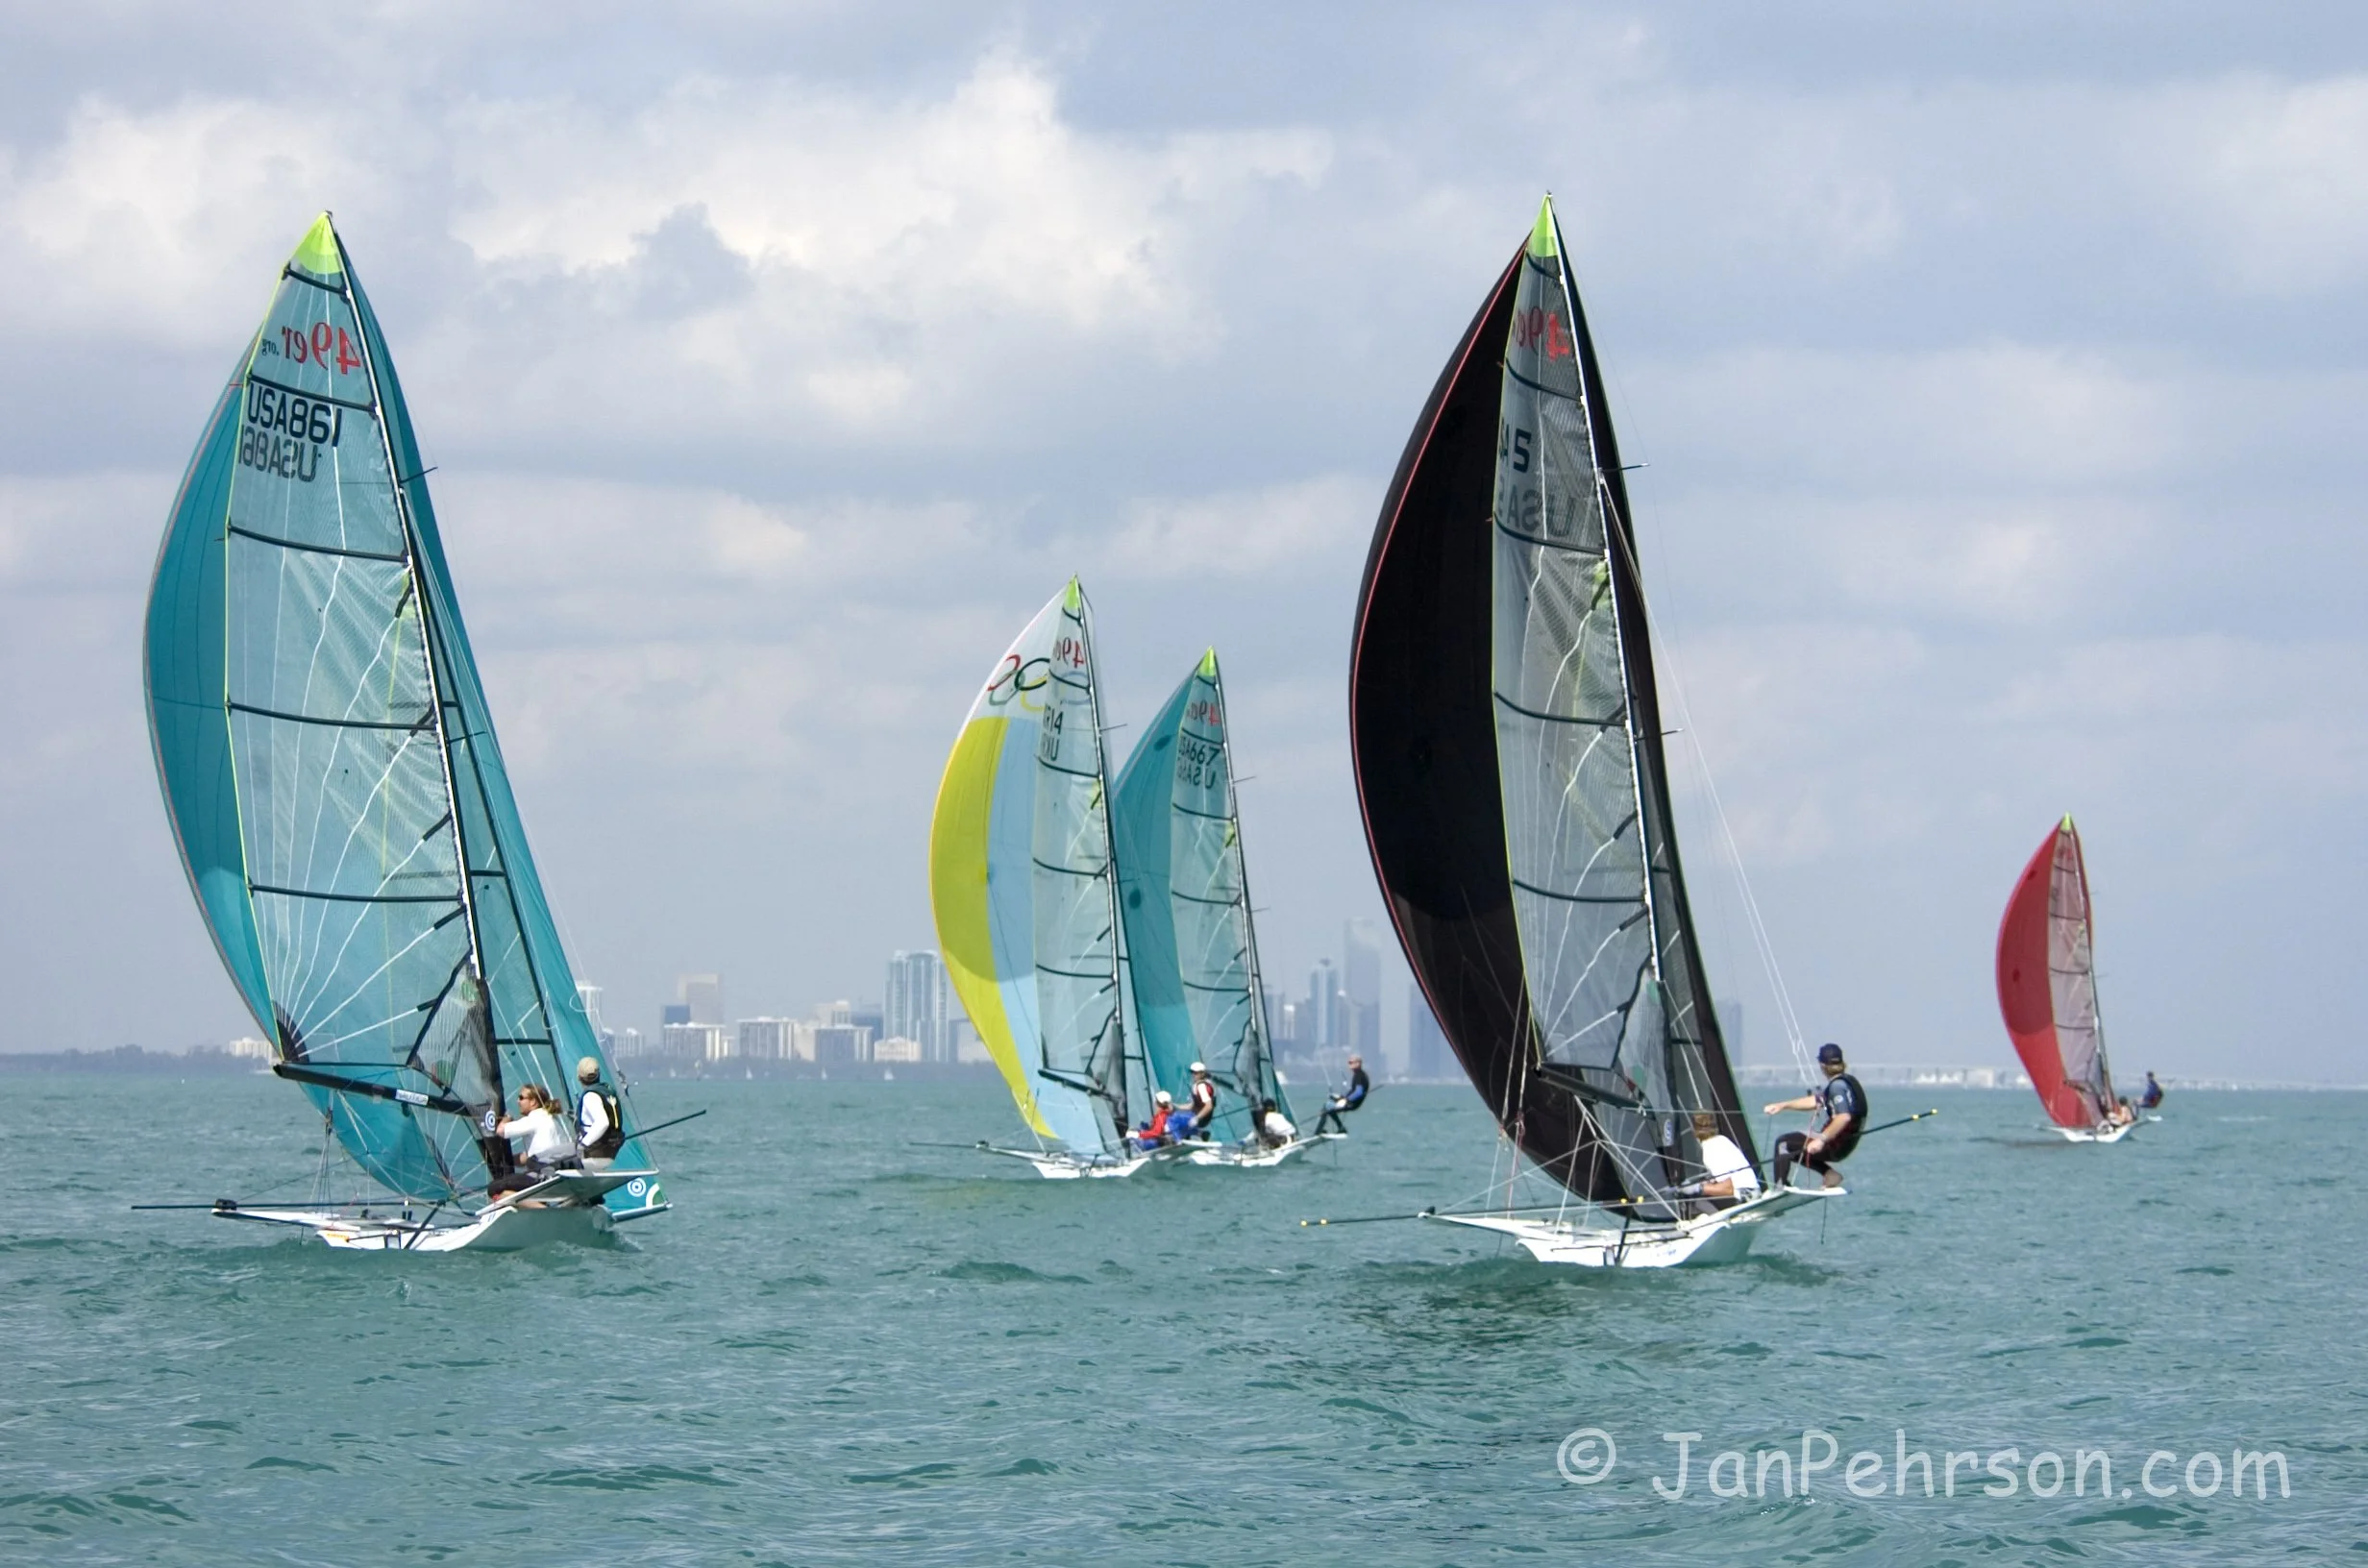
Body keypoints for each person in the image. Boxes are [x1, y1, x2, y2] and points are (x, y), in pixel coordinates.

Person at [1762, 1043, 1865, 1189]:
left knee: (1783, 1144)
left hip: (1835, 1144)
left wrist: (1821, 1140)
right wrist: (1783, 1105)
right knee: (1796, 1145)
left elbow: (1844, 1117)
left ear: (1822, 1065)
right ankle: (1830, 1174)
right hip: (1845, 1144)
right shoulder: (1848, 1082)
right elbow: (1816, 1101)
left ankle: (1779, 1189)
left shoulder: (1837, 1087)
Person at [488, 1083, 577, 1198]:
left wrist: (507, 1118)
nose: (517, 1101)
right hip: (559, 1175)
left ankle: (540, 1207)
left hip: (542, 1177)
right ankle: (538, 1204)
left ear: (533, 1102)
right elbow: (528, 1156)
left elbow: (501, 1130)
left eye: (521, 1098)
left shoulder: (534, 1118)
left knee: (494, 1188)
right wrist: (504, 1161)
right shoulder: (552, 1120)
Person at [1665, 1111, 1761, 1211]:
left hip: (1745, 1199)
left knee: (1699, 1204)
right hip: (1754, 1193)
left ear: (1694, 1130)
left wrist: (1695, 1188)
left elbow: (1728, 1188)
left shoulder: (1710, 1149)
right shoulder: (1722, 1139)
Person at [574, 1056, 624, 1169]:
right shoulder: (607, 1091)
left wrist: (583, 1144)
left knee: (546, 1158)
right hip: (610, 1152)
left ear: (579, 1077)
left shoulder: (590, 1096)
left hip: (592, 1153)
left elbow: (603, 1122)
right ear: (599, 1074)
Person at [1317, 1054, 1370, 1135]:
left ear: (1358, 1063)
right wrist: (1340, 1098)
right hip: (1350, 1102)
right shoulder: (1359, 1074)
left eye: (1351, 1062)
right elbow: (1353, 1091)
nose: (1349, 1065)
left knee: (1327, 1106)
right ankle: (1340, 1128)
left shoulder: (1359, 1075)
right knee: (1330, 1102)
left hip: (1352, 1103)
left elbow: (1359, 1092)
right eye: (1349, 1063)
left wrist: (1346, 1100)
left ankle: (1318, 1132)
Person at [1184, 1063, 1220, 1140]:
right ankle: (1202, 1134)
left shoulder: (1202, 1087)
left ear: (1202, 1073)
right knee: (1178, 1116)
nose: (1193, 1075)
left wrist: (1196, 1118)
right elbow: (1192, 1106)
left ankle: (1187, 1135)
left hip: (1202, 1118)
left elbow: (1209, 1106)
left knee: (1175, 1120)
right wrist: (1175, 1106)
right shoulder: (1202, 1084)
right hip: (1201, 1116)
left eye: (1196, 1073)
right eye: (1192, 1072)